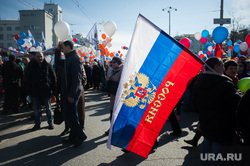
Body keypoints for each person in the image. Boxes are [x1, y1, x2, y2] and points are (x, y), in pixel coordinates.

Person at [193, 57, 241, 165]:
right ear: (216, 67)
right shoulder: (224, 83)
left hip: (206, 124)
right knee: (218, 157)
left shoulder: (199, 81)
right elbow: (235, 104)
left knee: (206, 152)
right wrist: (239, 95)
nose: (224, 68)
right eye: (222, 66)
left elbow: (195, 104)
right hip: (222, 127)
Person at [61, 40, 87, 148]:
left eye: (62, 48)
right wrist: (57, 51)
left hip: (72, 93)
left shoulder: (75, 59)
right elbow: (57, 63)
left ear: (68, 47)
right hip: (68, 92)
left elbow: (77, 79)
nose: (62, 50)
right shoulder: (68, 58)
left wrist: (72, 95)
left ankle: (80, 135)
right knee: (72, 116)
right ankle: (72, 136)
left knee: (68, 115)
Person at [26, 51, 56, 131]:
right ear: (35, 57)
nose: (40, 58)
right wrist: (29, 92)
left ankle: (50, 122)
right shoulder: (31, 66)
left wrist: (53, 90)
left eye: (41, 56)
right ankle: (37, 124)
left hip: (46, 91)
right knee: (36, 109)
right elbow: (28, 79)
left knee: (48, 108)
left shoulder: (48, 65)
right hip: (35, 92)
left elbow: (53, 78)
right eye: (38, 56)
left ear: (43, 57)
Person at [105, 57, 123, 135]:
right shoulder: (113, 69)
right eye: (112, 62)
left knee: (115, 113)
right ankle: (112, 128)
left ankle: (114, 129)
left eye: (114, 62)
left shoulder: (121, 70)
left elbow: (118, 80)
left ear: (118, 63)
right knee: (112, 112)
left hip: (117, 95)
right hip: (113, 94)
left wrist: (110, 78)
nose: (112, 63)